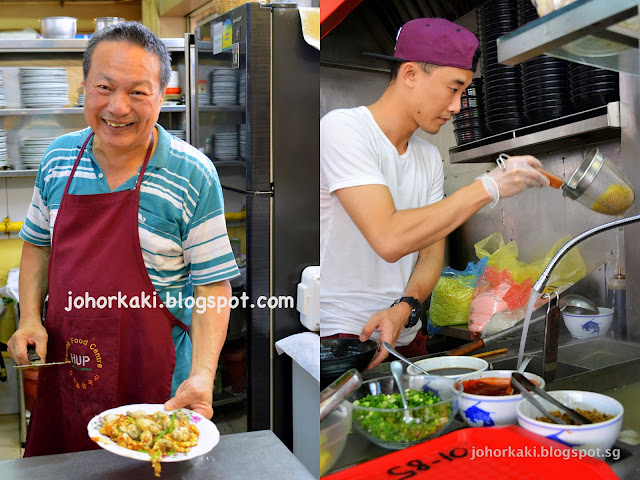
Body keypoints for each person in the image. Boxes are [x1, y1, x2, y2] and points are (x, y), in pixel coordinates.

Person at [8, 22, 239, 456]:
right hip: (70, 371)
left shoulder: (191, 174)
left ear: (161, 94)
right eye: (104, 87)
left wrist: (204, 373)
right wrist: (29, 319)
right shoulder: (58, 159)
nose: (118, 107)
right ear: (83, 87)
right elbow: (38, 243)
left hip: (158, 384)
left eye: (138, 91)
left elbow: (212, 285)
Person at [320, 18, 550, 369]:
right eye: (453, 88)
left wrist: (405, 307)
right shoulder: (344, 130)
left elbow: (430, 255)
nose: (458, 106)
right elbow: (389, 238)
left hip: (403, 332)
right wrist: (489, 186)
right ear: (410, 74)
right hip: (345, 338)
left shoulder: (427, 156)